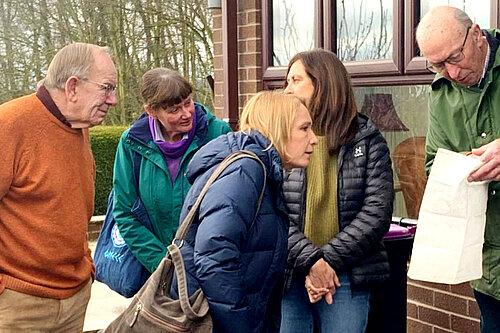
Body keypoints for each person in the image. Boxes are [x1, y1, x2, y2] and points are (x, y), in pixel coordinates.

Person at [171, 90, 318, 332]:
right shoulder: (246, 171)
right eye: (304, 128)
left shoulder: (259, 169)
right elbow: (215, 257)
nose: (314, 139)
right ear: (277, 128)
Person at [0, 43, 117, 332]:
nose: (113, 100)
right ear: (72, 87)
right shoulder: (10, 124)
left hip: (75, 297)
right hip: (19, 305)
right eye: (106, 88)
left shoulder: (79, 126)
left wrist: (85, 264)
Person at [280, 49, 394, 333]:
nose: (287, 90)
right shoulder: (280, 142)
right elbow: (274, 212)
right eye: (286, 81)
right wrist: (310, 261)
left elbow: (376, 214)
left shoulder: (368, 140)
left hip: (347, 274)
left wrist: (325, 262)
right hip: (291, 274)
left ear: (322, 84)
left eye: (295, 80)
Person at [417, 6, 500, 332]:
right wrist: (461, 166)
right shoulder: (439, 95)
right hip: (489, 263)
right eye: (437, 64)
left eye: (454, 57)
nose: (450, 72)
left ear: (477, 35)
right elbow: (432, 165)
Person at [112, 68, 231, 275]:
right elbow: (125, 213)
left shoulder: (218, 135)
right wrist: (164, 265)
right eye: (174, 110)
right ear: (151, 111)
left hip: (210, 269)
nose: (186, 114)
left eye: (188, 103)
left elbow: (233, 206)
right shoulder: (132, 143)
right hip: (157, 271)